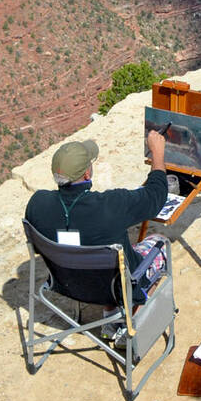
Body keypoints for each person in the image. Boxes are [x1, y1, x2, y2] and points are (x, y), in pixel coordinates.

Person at [26, 130, 172, 310]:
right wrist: (158, 154)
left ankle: (109, 317)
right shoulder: (110, 205)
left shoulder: (37, 204)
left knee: (105, 252)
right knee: (159, 242)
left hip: (68, 283)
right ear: (87, 173)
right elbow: (155, 196)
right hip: (115, 289)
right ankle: (129, 323)